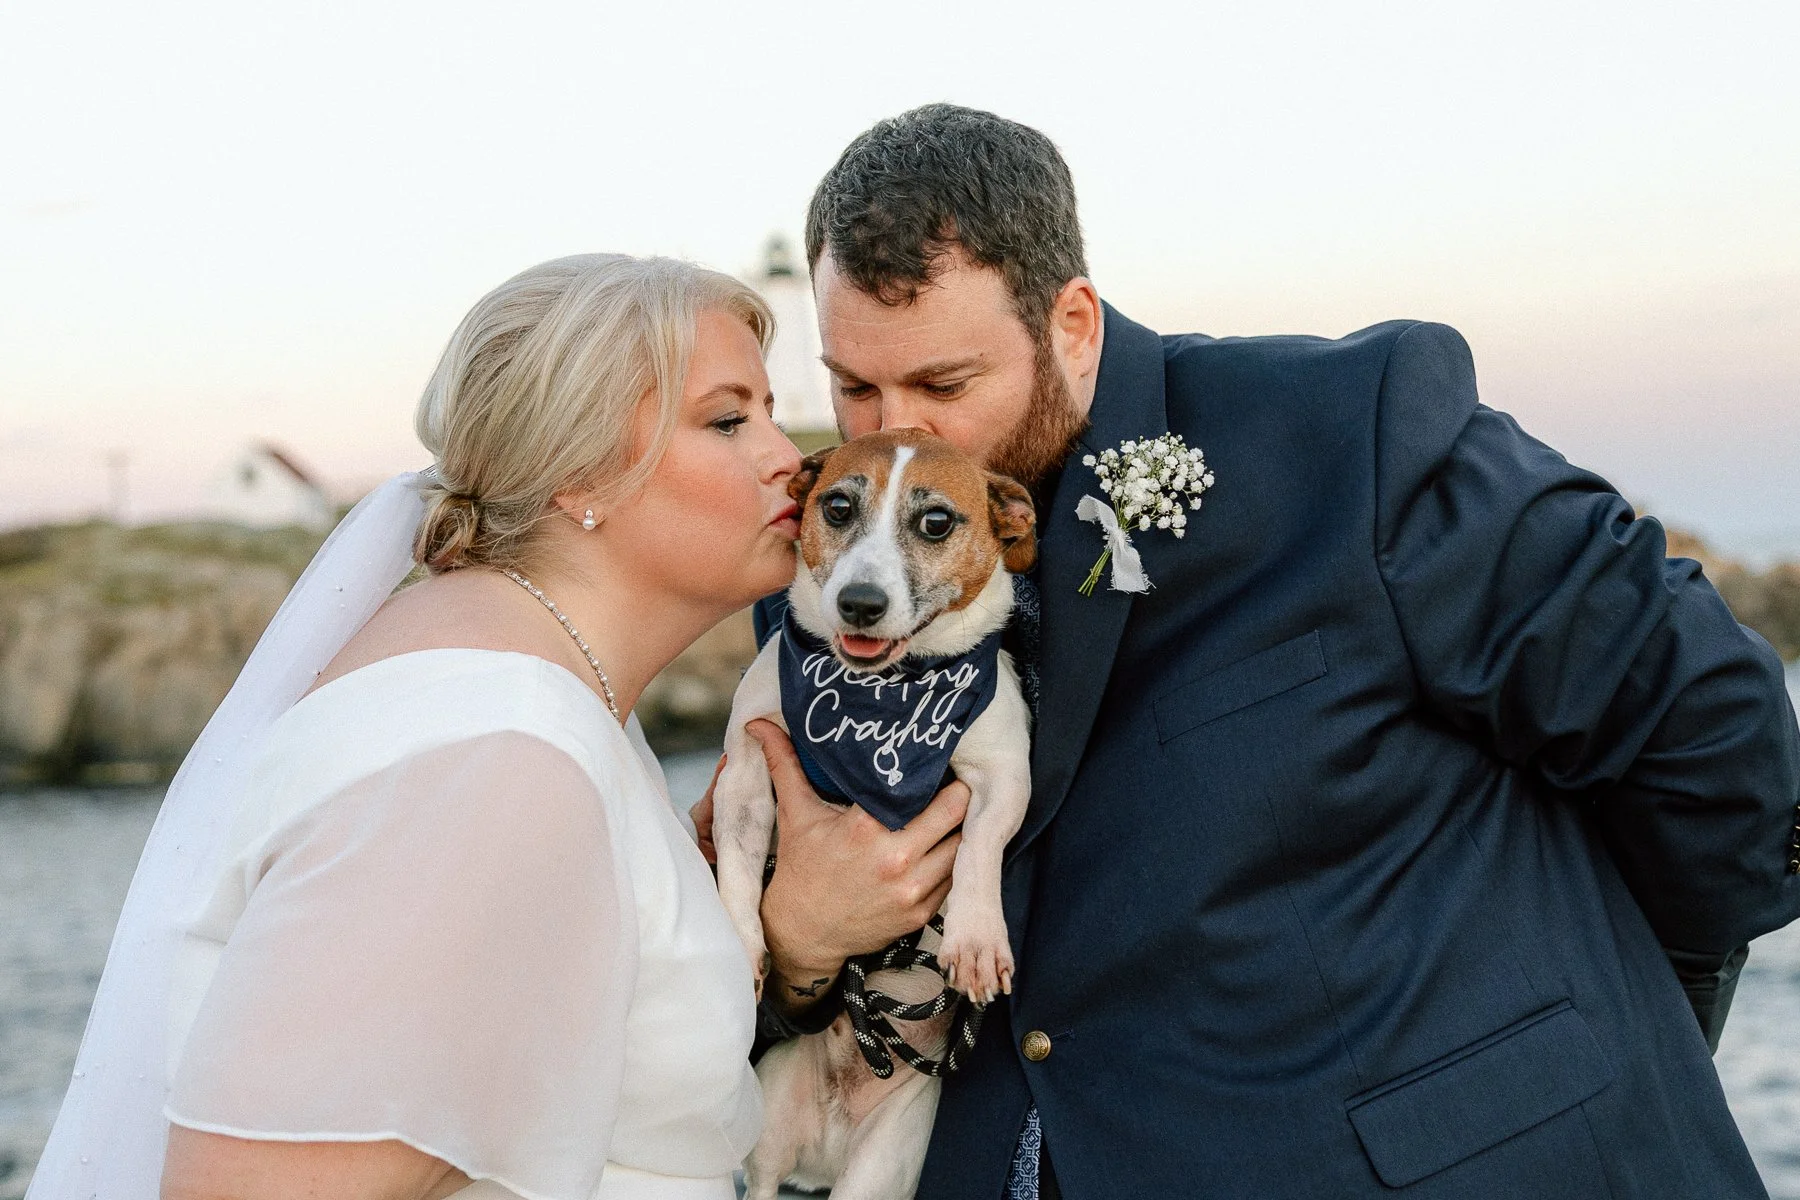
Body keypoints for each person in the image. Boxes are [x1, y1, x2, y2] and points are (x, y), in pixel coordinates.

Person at [717, 105, 1800, 1198]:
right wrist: (798, 950)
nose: (895, 431)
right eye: (855, 385)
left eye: (944, 386)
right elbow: (737, 968)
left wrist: (1647, 1006)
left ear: (1074, 327)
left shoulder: (1345, 436)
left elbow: (1708, 722)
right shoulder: (825, 588)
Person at [30, 254, 812, 1200]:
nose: (787, 455)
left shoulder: (538, 696)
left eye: (770, 411)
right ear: (577, 473)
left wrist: (797, 933)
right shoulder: (497, 751)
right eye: (728, 420)